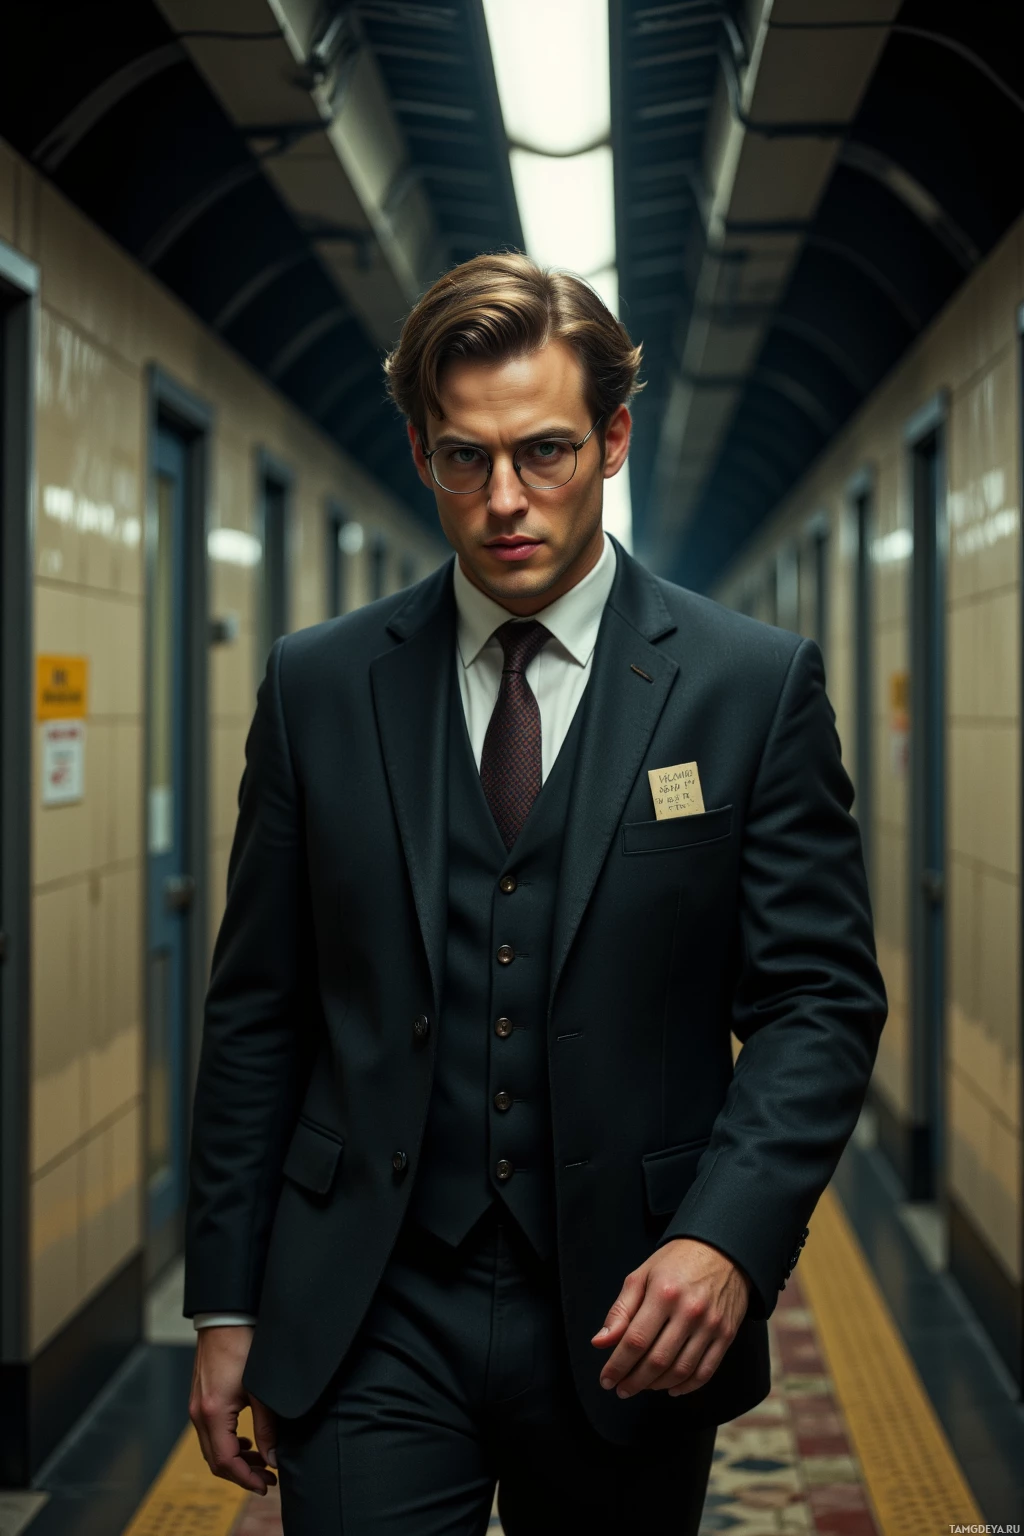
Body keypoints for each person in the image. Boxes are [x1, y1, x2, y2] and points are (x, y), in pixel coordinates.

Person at [185, 252, 887, 1534]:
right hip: (368, 1303)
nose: (506, 499)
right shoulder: (319, 686)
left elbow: (817, 1000)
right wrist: (226, 1303)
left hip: (630, 1307)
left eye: (546, 452)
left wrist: (724, 1239)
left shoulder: (748, 685)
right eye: (466, 458)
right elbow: (258, 1010)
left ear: (613, 439)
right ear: (420, 454)